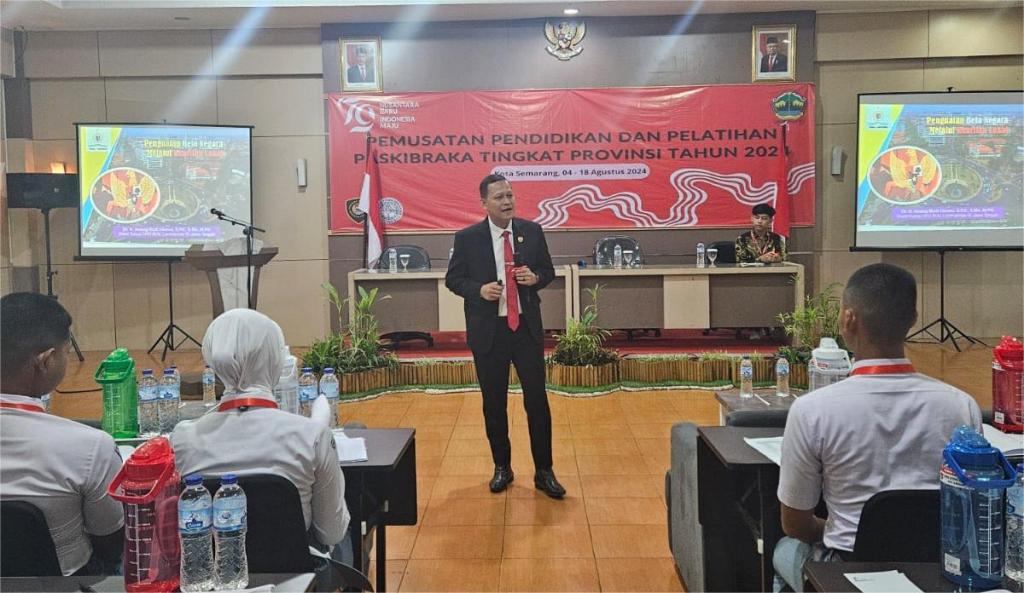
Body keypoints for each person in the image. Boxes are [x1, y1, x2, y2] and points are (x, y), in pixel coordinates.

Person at [772, 264, 982, 592]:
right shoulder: (961, 406)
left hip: (846, 569)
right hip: (939, 569)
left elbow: (795, 523)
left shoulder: (812, 410)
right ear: (913, 319)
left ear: (848, 319)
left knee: (783, 550)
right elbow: (973, 508)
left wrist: (841, 530)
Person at [169, 309, 352, 565]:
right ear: (275, 361)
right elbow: (331, 532)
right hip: (295, 576)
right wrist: (321, 430)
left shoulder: (182, 438)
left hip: (213, 575)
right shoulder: (311, 436)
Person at [445, 173, 566, 499]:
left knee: (537, 401)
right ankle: (502, 466)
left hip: (525, 329)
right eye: (499, 197)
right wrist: (478, 290)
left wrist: (535, 278)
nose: (507, 201)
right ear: (484, 203)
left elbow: (549, 271)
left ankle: (544, 471)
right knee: (494, 403)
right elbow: (453, 280)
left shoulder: (532, 231)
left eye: (510, 195)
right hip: (489, 332)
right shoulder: (468, 238)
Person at [0, 292, 124, 576]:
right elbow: (110, 542)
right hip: (66, 583)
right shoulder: (90, 447)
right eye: (66, 353)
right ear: (46, 361)